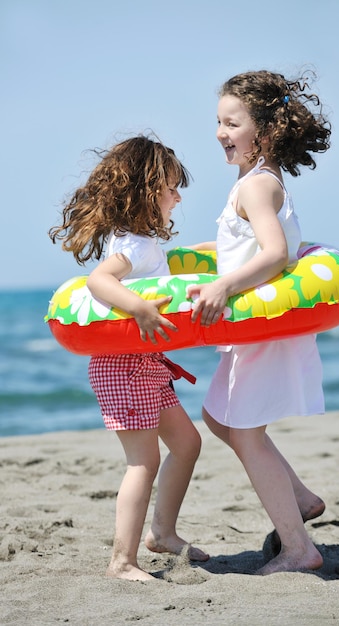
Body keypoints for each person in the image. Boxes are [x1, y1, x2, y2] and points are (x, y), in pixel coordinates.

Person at [187, 70, 331, 575]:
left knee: (245, 433)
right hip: (250, 332)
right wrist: (199, 257)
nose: (221, 132)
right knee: (219, 418)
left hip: (262, 328)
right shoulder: (253, 180)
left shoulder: (258, 185)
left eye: (232, 123)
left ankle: (299, 549)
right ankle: (302, 498)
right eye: (218, 123)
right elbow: (244, 244)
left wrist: (225, 286)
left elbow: (274, 253)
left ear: (264, 131)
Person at [49, 135, 209, 581]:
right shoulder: (132, 246)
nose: (178, 197)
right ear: (146, 191)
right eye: (172, 188)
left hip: (147, 364)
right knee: (144, 462)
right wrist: (139, 308)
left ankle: (163, 533)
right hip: (122, 364)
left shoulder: (144, 244)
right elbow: (99, 280)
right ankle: (122, 561)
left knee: (188, 444)